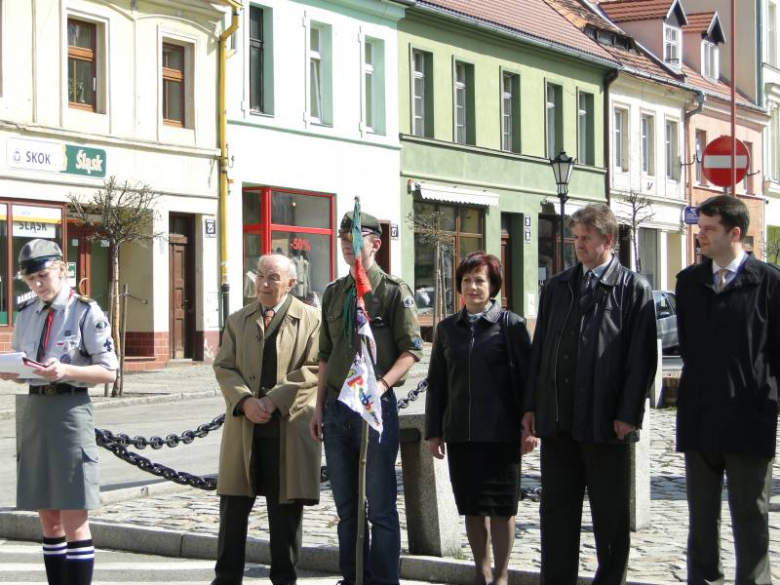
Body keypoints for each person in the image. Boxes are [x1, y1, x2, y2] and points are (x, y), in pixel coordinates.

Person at [523, 204, 657, 585]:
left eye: (586, 238)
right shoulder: (558, 286)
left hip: (605, 423)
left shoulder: (633, 289)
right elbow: (541, 349)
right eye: (575, 238)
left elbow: (641, 360)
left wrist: (628, 413)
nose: (577, 245)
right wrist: (532, 406)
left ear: (608, 240)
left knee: (609, 520)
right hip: (559, 422)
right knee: (557, 516)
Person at [309, 211, 423, 585]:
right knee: (347, 507)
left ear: (375, 243)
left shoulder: (391, 291)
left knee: (381, 505)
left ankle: (383, 580)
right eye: (343, 240)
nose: (348, 246)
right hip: (337, 407)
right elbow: (325, 354)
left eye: (355, 239)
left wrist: (383, 386)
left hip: (374, 407)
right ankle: (353, 576)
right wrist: (318, 407)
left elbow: (411, 350)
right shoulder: (334, 292)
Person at [0, 239, 118, 585]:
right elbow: (24, 361)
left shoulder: (85, 311)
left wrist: (67, 371)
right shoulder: (26, 313)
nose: (37, 284)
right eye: (30, 279)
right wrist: (14, 371)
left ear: (62, 269)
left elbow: (109, 371)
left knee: (72, 515)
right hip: (35, 411)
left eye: (43, 275)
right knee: (47, 516)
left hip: (69, 410)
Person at [675, 195, 780, 585]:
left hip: (749, 416)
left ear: (735, 233)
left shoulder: (768, 282)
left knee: (750, 516)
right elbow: (688, 346)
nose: (700, 235)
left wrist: (765, 398)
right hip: (700, 416)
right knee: (702, 518)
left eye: (708, 229)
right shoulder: (688, 282)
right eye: (698, 228)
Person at [211, 254, 321, 585]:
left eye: (273, 277)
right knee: (233, 508)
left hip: (287, 429)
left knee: (285, 513)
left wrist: (274, 400)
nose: (263, 283)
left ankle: (284, 578)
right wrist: (244, 401)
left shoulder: (311, 320)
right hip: (244, 429)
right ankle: (226, 578)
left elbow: (315, 368)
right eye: (260, 276)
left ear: (291, 283)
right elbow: (223, 366)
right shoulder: (238, 320)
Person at [424, 252, 533, 585]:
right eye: (467, 280)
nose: (473, 286)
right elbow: (437, 383)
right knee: (472, 507)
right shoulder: (446, 330)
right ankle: (481, 572)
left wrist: (530, 426)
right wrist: (434, 431)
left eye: (480, 280)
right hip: (461, 434)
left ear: (493, 286)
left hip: (502, 434)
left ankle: (501, 576)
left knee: (502, 509)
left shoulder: (510, 325)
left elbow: (528, 381)